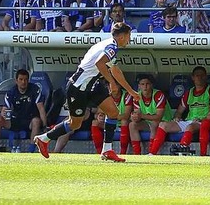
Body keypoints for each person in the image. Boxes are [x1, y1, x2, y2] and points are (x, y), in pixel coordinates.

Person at [34, 23, 138, 161]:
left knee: (113, 112)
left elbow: (115, 70)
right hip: (78, 87)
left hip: (93, 85)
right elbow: (100, 64)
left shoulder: (109, 45)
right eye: (129, 36)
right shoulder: (111, 47)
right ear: (122, 36)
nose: (129, 39)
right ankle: (43, 138)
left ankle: (107, 150)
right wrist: (112, 83)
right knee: (75, 123)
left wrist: (131, 91)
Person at [149, 66, 210, 156]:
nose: (199, 78)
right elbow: (179, 111)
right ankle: (152, 153)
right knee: (163, 125)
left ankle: (182, 150)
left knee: (190, 127)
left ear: (206, 76)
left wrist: (203, 119)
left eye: (202, 75)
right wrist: (177, 117)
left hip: (202, 122)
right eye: (197, 75)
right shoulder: (189, 92)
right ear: (193, 77)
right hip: (189, 120)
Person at [0, 69, 46, 153]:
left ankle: (31, 151)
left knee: (36, 121)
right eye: (21, 79)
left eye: (25, 79)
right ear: (16, 81)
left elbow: (41, 109)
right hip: (15, 120)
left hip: (29, 121)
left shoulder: (35, 90)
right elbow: (5, 109)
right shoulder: (11, 92)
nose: (23, 82)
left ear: (28, 80)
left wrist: (44, 126)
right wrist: (4, 113)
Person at [128, 75, 172, 155]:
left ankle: (152, 153)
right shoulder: (137, 96)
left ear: (151, 85)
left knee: (154, 123)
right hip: (148, 122)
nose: (145, 86)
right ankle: (137, 154)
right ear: (139, 86)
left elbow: (158, 117)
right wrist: (134, 117)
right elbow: (137, 116)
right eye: (142, 84)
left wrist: (140, 116)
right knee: (132, 125)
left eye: (147, 84)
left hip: (164, 122)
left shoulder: (158, 95)